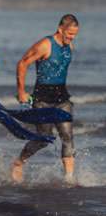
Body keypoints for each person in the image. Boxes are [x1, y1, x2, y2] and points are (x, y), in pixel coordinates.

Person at [12, 14, 80, 184]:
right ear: (60, 29)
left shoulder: (69, 45)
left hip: (62, 99)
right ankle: (19, 162)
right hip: (42, 99)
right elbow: (22, 63)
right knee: (43, 138)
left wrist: (69, 40)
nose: (72, 38)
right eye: (69, 34)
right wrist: (21, 91)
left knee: (67, 137)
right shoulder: (45, 45)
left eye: (74, 34)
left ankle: (69, 179)